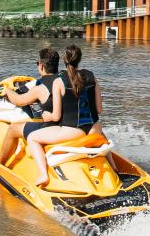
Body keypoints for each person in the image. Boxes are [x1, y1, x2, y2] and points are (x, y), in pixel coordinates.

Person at [25, 45, 103, 188]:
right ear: (79, 59)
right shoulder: (92, 76)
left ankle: (43, 175)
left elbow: (56, 116)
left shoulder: (59, 81)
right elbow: (99, 110)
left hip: (74, 131)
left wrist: (47, 116)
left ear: (64, 60)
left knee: (32, 138)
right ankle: (114, 167)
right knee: (102, 134)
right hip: (95, 129)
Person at [0, 47, 60, 166]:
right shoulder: (63, 80)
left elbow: (19, 101)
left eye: (37, 63)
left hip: (51, 127)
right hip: (66, 125)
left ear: (41, 66)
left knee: (13, 129)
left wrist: (8, 91)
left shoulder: (39, 88)